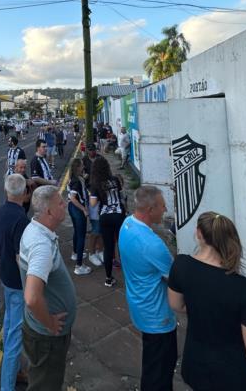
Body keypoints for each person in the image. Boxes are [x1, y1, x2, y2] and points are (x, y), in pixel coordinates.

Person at [167, 212, 246, 391]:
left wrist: (201, 307)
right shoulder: (244, 289)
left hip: (195, 366)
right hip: (234, 376)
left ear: (198, 234)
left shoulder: (181, 265)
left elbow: (176, 304)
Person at [118, 185, 177, 391]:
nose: (165, 209)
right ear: (150, 210)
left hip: (139, 306)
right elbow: (175, 280)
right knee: (160, 373)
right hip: (158, 316)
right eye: (162, 205)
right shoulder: (153, 244)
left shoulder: (126, 224)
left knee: (151, 364)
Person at [18, 185, 76, 390]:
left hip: (40, 333)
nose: (65, 204)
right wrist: (50, 323)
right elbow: (32, 297)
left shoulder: (35, 228)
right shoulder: (41, 245)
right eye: (61, 203)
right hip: (46, 339)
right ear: (49, 211)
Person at [0, 173, 31, 390]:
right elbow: (21, 258)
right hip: (17, 283)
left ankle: (17, 372)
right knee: (14, 339)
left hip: (5, 278)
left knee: (10, 326)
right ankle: (7, 385)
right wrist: (31, 288)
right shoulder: (22, 220)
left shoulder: (1, 211)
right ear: (25, 193)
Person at [89, 155, 126, 287]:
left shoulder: (95, 184)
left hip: (105, 216)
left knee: (108, 247)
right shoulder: (115, 179)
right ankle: (128, 274)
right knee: (122, 245)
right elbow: (121, 197)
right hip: (119, 215)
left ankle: (108, 278)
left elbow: (93, 203)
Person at [66, 158, 91, 275]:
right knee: (81, 236)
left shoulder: (73, 178)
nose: (83, 167)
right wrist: (84, 209)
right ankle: (79, 265)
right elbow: (73, 197)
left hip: (71, 208)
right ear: (77, 168)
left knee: (77, 231)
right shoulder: (76, 181)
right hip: (77, 209)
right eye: (81, 166)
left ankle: (75, 253)